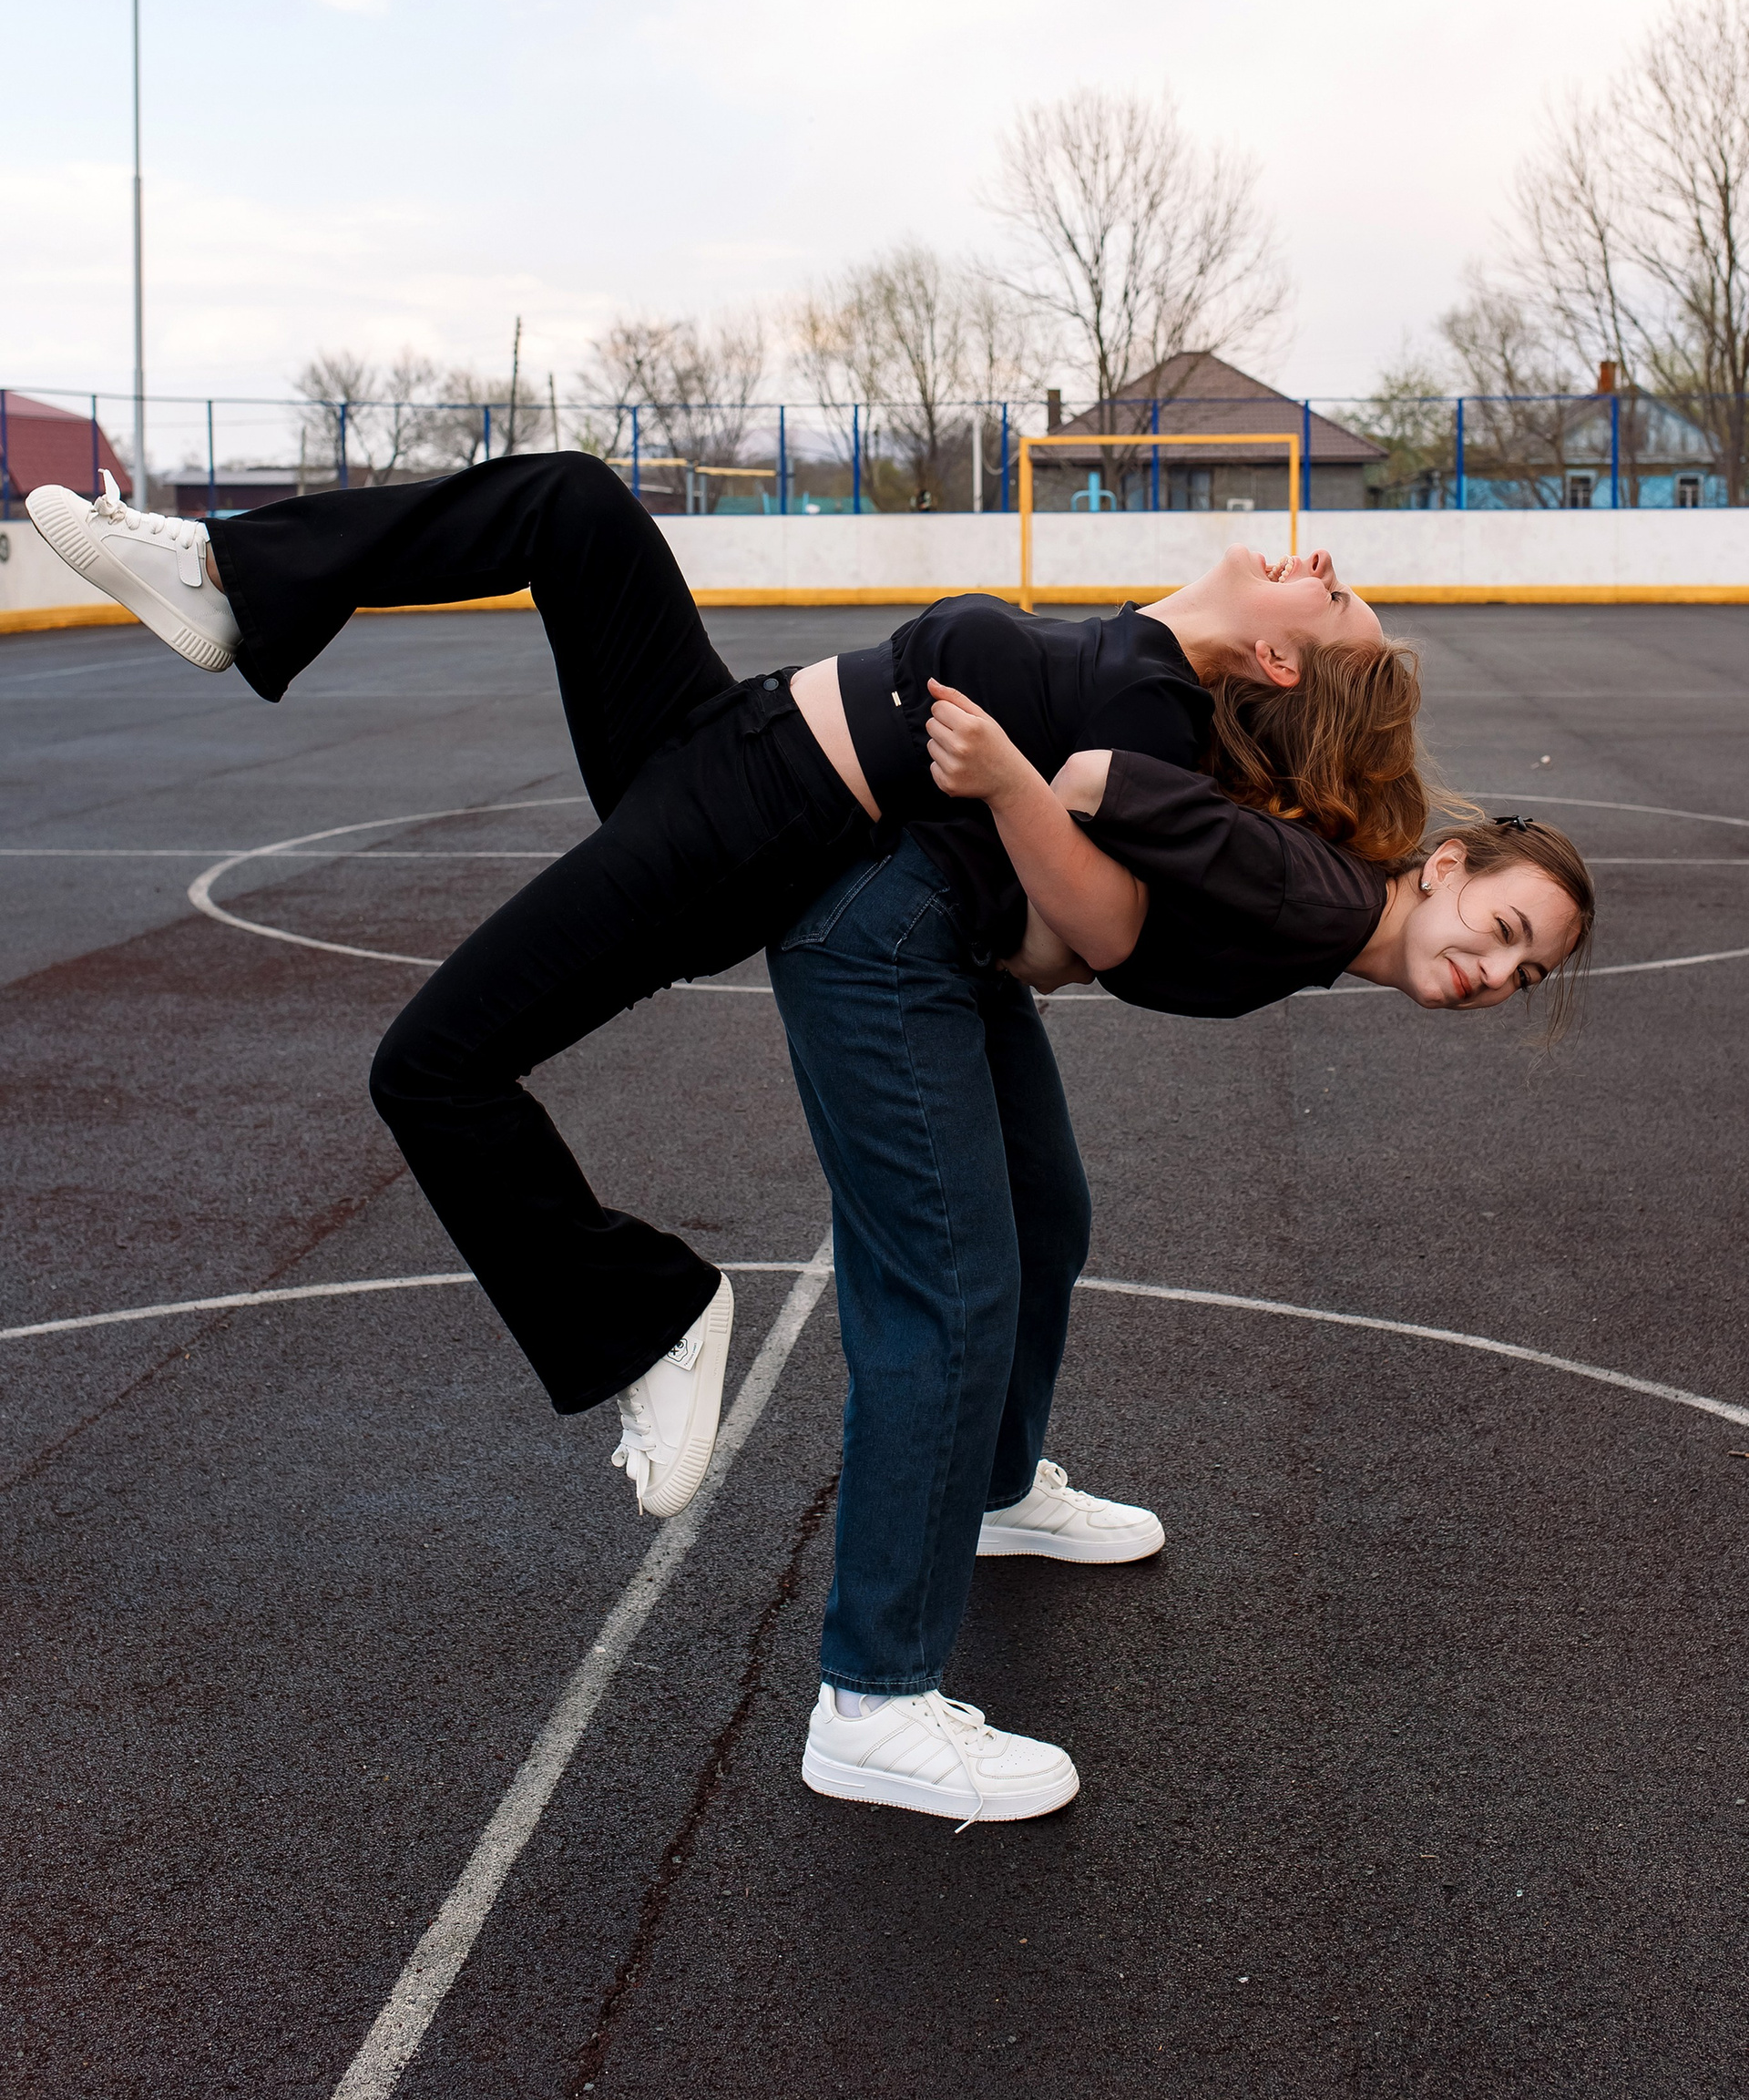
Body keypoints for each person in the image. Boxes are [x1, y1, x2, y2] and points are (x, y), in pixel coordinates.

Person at [27, 453, 1427, 1532]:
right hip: (715, 734)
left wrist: (1366, 922)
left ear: (1281, 660)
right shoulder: (1142, 655)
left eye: (1335, 594)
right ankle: (224, 575)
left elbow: (1108, 923)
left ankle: (655, 1319)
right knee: (573, 502)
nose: (1319, 560)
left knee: (432, 1070)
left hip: (735, 834)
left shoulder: (1147, 721)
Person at [774, 684, 1593, 1825]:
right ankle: (869, 1701)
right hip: (887, 941)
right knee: (948, 1294)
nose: (1498, 976)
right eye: (1505, 933)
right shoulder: (1315, 896)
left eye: (1527, 975)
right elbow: (1097, 780)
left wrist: (1044, 931)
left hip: (953, 942)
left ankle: (996, 1493)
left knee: (1045, 1217)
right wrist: (1048, 894)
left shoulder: (1333, 920)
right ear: (1447, 868)